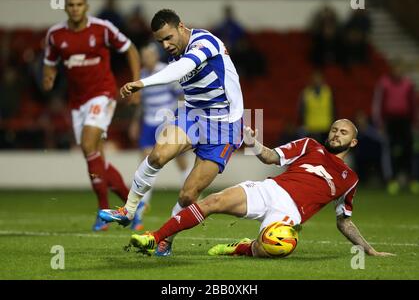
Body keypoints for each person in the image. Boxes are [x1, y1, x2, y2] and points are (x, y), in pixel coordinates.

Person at [128, 119, 395, 258]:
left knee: (278, 248)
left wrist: (367, 249)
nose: (336, 134)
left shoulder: (350, 179)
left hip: (289, 215)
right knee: (213, 202)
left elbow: (344, 221)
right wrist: (253, 143)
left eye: (343, 133)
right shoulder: (309, 145)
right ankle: (156, 238)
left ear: (354, 142)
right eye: (334, 130)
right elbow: (270, 156)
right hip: (271, 190)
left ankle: (242, 248)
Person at [99, 9, 244, 256]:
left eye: (168, 38)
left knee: (188, 196)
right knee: (157, 155)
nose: (165, 45)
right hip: (194, 115)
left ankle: (166, 239)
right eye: (160, 42)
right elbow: (179, 74)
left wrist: (141, 83)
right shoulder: (175, 58)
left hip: (225, 127)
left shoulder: (205, 42)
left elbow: (178, 72)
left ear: (181, 27)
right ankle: (129, 209)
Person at [42, 0, 141, 231]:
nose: (75, 8)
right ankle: (131, 209)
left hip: (103, 95)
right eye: (71, 5)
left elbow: (130, 48)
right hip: (77, 102)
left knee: (88, 145)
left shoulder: (102, 28)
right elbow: (49, 62)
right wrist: (49, 77)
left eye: (79, 4)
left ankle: (102, 211)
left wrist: (137, 82)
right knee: (95, 159)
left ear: (86, 6)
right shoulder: (55, 35)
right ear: (66, 8)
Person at [128, 43, 190, 231]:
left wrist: (182, 120)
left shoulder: (166, 71)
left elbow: (181, 96)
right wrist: (135, 122)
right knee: (146, 163)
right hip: (148, 123)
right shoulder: (142, 76)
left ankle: (191, 194)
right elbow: (141, 103)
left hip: (168, 120)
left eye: (148, 55)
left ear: (155, 56)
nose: (146, 59)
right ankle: (140, 208)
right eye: (143, 55)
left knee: (181, 162)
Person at [372, 58, 416, 195]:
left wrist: (415, 122)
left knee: (408, 150)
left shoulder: (408, 84)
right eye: (396, 67)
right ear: (392, 69)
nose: (398, 70)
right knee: (389, 151)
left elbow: (414, 104)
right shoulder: (384, 83)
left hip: (405, 121)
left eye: (400, 68)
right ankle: (392, 180)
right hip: (390, 121)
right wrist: (379, 123)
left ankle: (412, 179)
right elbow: (377, 104)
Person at [298, 70, 336, 144]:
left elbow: (333, 109)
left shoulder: (328, 91)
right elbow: (301, 110)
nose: (317, 80)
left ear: (322, 79)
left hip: (326, 126)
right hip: (311, 127)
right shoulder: (306, 93)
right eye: (315, 78)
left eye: (318, 78)